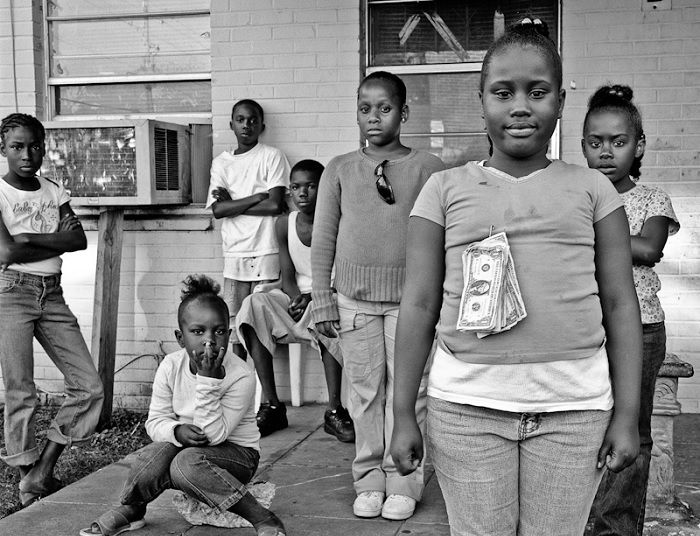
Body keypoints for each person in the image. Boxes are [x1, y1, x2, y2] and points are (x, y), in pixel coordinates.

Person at [389, 19, 643, 536]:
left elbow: (620, 303)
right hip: (466, 411)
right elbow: (417, 304)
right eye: (503, 92)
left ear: (561, 102)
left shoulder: (595, 190)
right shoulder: (442, 190)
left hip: (574, 411)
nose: (521, 106)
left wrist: (627, 414)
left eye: (538, 91)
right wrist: (401, 413)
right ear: (481, 100)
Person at [311, 71, 445, 521]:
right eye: (365, 109)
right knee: (364, 395)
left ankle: (404, 479)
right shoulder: (340, 169)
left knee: (410, 393)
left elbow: (441, 239)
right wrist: (323, 300)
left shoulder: (429, 169)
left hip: (412, 305)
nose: (374, 118)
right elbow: (323, 239)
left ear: (403, 113)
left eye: (384, 109)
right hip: (353, 303)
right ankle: (368, 480)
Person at [80, 275, 286, 536]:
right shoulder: (170, 366)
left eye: (219, 331)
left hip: (237, 455)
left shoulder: (241, 375)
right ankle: (132, 509)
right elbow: (155, 422)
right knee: (152, 455)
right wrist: (176, 431)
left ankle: (262, 517)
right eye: (198, 332)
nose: (209, 341)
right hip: (189, 444)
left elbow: (213, 436)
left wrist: (208, 380)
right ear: (180, 337)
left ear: (229, 334)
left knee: (185, 464)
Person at [582, 84, 680, 536]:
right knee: (585, 425)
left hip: (640, 328)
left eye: (618, 142)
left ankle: (614, 528)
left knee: (632, 429)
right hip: (586, 327)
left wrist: (590, 236)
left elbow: (649, 248)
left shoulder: (652, 198)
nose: (606, 152)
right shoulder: (576, 194)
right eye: (596, 142)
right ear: (583, 145)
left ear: (638, 146)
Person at [0, 113, 104, 508]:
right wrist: (48, 241)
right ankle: (28, 480)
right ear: (3, 149)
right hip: (11, 293)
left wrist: (27, 236)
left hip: (51, 293)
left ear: (45, 147)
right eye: (17, 147)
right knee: (21, 389)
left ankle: (43, 467)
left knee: (89, 385)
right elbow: (5, 253)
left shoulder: (53, 190)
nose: (27, 154)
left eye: (35, 145)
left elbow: (77, 239)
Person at [237, 159, 355, 441]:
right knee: (253, 306)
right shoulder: (283, 224)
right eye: (296, 187)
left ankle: (335, 411)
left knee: (323, 310)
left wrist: (314, 296)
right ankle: (273, 405)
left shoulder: (341, 222)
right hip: (297, 298)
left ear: (325, 189)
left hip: (330, 297)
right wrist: (293, 298)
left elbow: (347, 275)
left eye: (311, 186)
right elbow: (287, 274)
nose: (303, 193)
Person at [207, 99, 291, 359]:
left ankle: (264, 393)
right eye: (241, 119)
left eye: (253, 120)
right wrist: (257, 197)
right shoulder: (221, 163)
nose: (247, 125)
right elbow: (218, 211)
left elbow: (276, 204)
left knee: (263, 322)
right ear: (231, 124)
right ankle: (238, 381)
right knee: (233, 325)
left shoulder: (272, 156)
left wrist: (233, 203)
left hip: (266, 251)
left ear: (262, 126)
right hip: (234, 253)